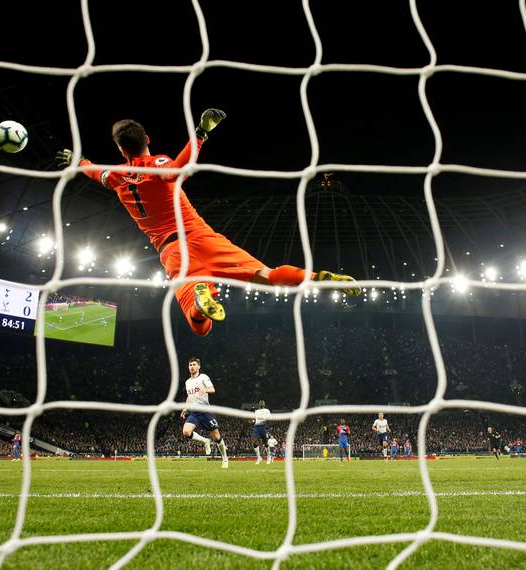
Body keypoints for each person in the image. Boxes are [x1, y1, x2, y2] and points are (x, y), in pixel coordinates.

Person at [56, 111, 359, 336]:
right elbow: (181, 167)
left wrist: (78, 161)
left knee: (200, 328)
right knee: (267, 275)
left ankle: (201, 295)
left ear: (121, 151)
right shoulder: (158, 164)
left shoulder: (114, 176)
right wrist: (200, 133)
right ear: (147, 140)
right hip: (203, 237)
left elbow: (93, 171)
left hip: (172, 251)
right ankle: (317, 276)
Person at [180, 357, 229, 468]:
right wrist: (185, 409)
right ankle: (205, 441)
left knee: (217, 437)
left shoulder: (203, 377)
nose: (192, 367)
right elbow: (189, 396)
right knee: (186, 432)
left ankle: (225, 459)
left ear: (199, 366)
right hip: (194, 413)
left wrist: (205, 390)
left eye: (194, 365)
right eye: (190, 365)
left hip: (206, 411)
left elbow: (212, 389)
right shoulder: (187, 382)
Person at [251, 400, 270, 465]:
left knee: (266, 443)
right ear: (259, 404)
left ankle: (268, 457)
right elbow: (255, 419)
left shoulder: (267, 410)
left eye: (262, 403)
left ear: (264, 405)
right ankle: (259, 458)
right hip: (257, 427)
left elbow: (269, 418)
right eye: (260, 403)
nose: (261, 403)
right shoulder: (256, 411)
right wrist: (252, 421)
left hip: (263, 427)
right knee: (254, 442)